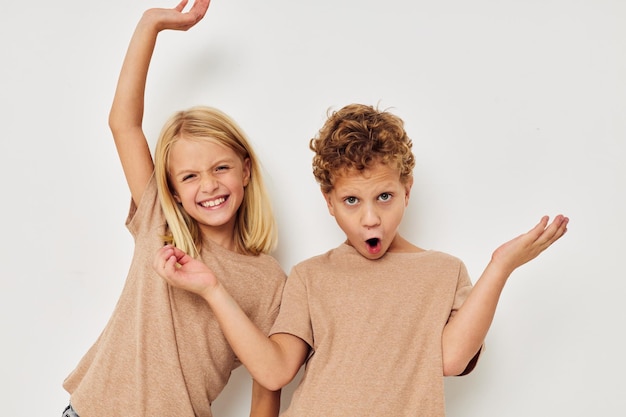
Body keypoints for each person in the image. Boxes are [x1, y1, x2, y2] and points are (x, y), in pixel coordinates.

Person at [154, 103, 569, 416]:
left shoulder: (443, 271)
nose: (370, 218)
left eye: (384, 197)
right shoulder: (309, 276)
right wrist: (212, 289)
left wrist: (500, 266)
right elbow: (276, 371)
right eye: (351, 200)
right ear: (329, 202)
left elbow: (451, 359)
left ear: (408, 188)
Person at [62, 1, 286, 416]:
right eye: (189, 177)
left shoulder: (268, 279)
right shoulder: (159, 220)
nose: (209, 185)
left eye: (221, 168)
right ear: (173, 192)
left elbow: (266, 386)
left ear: (246, 171)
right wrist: (152, 24)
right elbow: (123, 123)